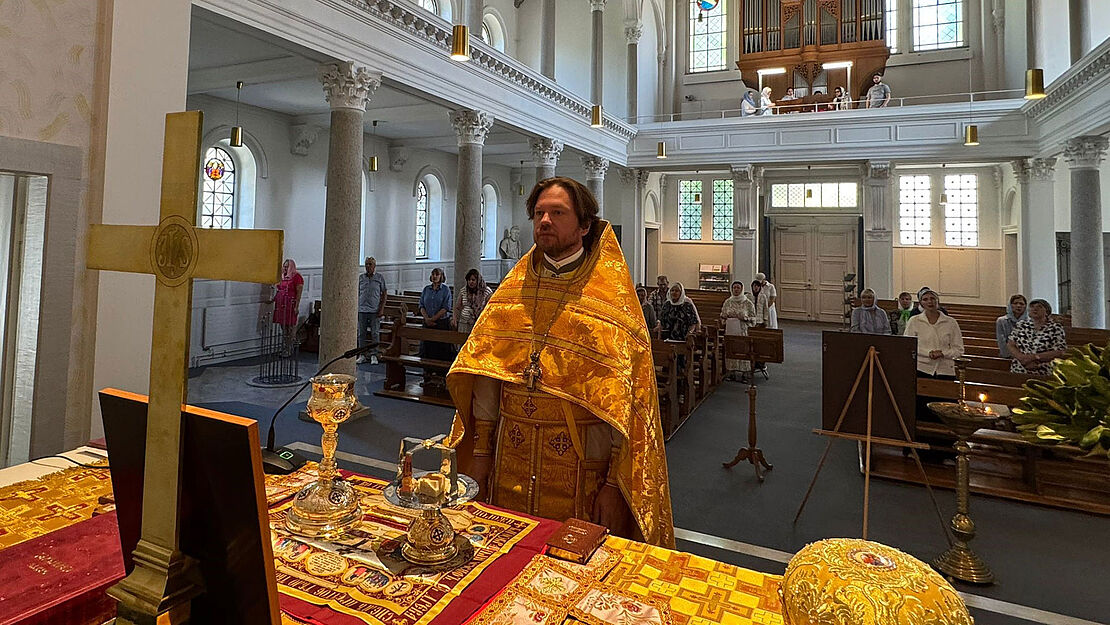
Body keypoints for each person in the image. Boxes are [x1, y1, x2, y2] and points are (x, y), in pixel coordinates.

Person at [445, 177, 674, 547]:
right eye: (539, 213)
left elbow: (628, 403)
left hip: (581, 467)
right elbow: (486, 377)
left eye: (557, 213)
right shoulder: (513, 290)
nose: (545, 221)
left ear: (585, 226)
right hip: (510, 455)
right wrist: (482, 454)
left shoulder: (612, 299)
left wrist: (616, 485)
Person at [904, 289, 963, 378]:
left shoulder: (951, 322)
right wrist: (928, 353)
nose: (930, 302)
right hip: (921, 368)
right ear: (921, 303)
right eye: (925, 299)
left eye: (932, 298)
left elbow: (959, 350)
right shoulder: (914, 321)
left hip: (945, 370)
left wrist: (943, 353)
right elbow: (908, 345)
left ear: (937, 301)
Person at [1007, 299, 1067, 375]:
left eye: (1039, 307)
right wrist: (1021, 358)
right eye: (1032, 307)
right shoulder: (1021, 325)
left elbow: (1060, 351)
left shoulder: (1055, 328)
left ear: (1047, 312)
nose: (1035, 309)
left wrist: (1034, 357)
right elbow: (1011, 344)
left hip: (1043, 369)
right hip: (1020, 368)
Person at [720, 281, 756, 381]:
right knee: (731, 350)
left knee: (743, 350)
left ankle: (745, 373)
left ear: (741, 289)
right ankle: (731, 372)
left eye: (738, 288)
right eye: (734, 288)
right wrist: (725, 317)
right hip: (730, 330)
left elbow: (753, 318)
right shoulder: (728, 302)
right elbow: (722, 315)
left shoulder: (747, 303)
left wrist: (745, 318)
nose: (736, 290)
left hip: (742, 330)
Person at [418, 267, 454, 367]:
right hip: (427, 322)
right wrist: (427, 319)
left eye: (437, 275)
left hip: (441, 322)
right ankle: (427, 372)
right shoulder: (426, 289)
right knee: (427, 348)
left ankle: (439, 373)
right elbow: (421, 305)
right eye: (433, 274)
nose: (434, 276)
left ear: (441, 276)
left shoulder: (445, 290)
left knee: (440, 349)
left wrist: (433, 319)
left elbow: (446, 307)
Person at [357, 256, 387, 364]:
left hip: (374, 310)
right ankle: (362, 354)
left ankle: (374, 354)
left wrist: (381, 308)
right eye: (366, 264)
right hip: (362, 309)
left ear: (374, 266)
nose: (368, 266)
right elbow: (356, 293)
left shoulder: (379, 278)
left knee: (375, 333)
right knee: (361, 333)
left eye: (370, 264)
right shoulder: (361, 278)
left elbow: (384, 294)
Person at [273, 258, 304, 357]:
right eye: (284, 266)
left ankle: (289, 347)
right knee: (283, 326)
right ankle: (285, 346)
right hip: (281, 304)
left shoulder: (297, 277)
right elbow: (278, 288)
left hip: (290, 304)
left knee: (290, 326)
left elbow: (299, 293)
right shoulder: (282, 277)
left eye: (287, 267)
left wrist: (296, 306)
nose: (285, 268)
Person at [452, 268, 492, 333]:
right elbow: (457, 307)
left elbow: (490, 308)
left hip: (479, 323)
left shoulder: (486, 291)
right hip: (464, 323)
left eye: (473, 280)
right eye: (469, 280)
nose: (471, 282)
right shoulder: (464, 291)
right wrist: (455, 319)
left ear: (478, 280)